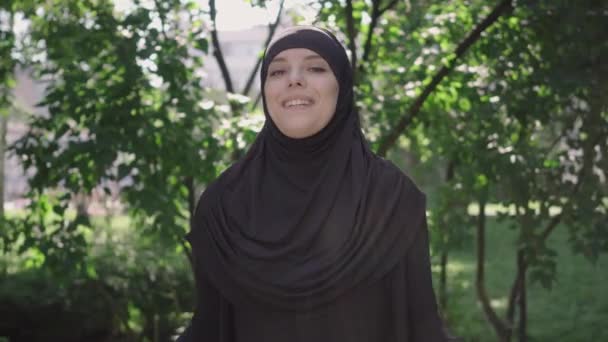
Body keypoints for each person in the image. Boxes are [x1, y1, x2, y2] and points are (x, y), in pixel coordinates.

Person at [178, 25, 449, 342]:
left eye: (316, 67)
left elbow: (422, 328)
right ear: (266, 92)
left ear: (342, 87)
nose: (294, 79)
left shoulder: (391, 199)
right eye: (277, 72)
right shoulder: (222, 207)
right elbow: (209, 328)